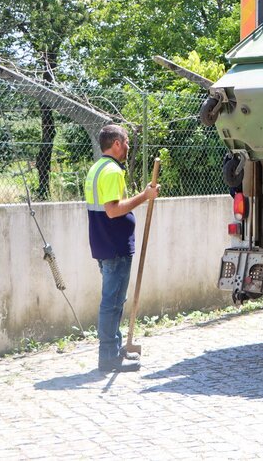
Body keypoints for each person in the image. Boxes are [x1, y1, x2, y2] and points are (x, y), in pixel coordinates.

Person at [84, 124, 158, 373]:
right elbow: (113, 210)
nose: (127, 146)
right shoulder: (113, 171)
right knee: (112, 302)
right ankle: (108, 358)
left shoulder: (96, 168)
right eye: (125, 141)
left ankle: (114, 350)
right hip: (115, 246)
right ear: (116, 143)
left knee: (114, 300)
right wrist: (144, 197)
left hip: (102, 243)